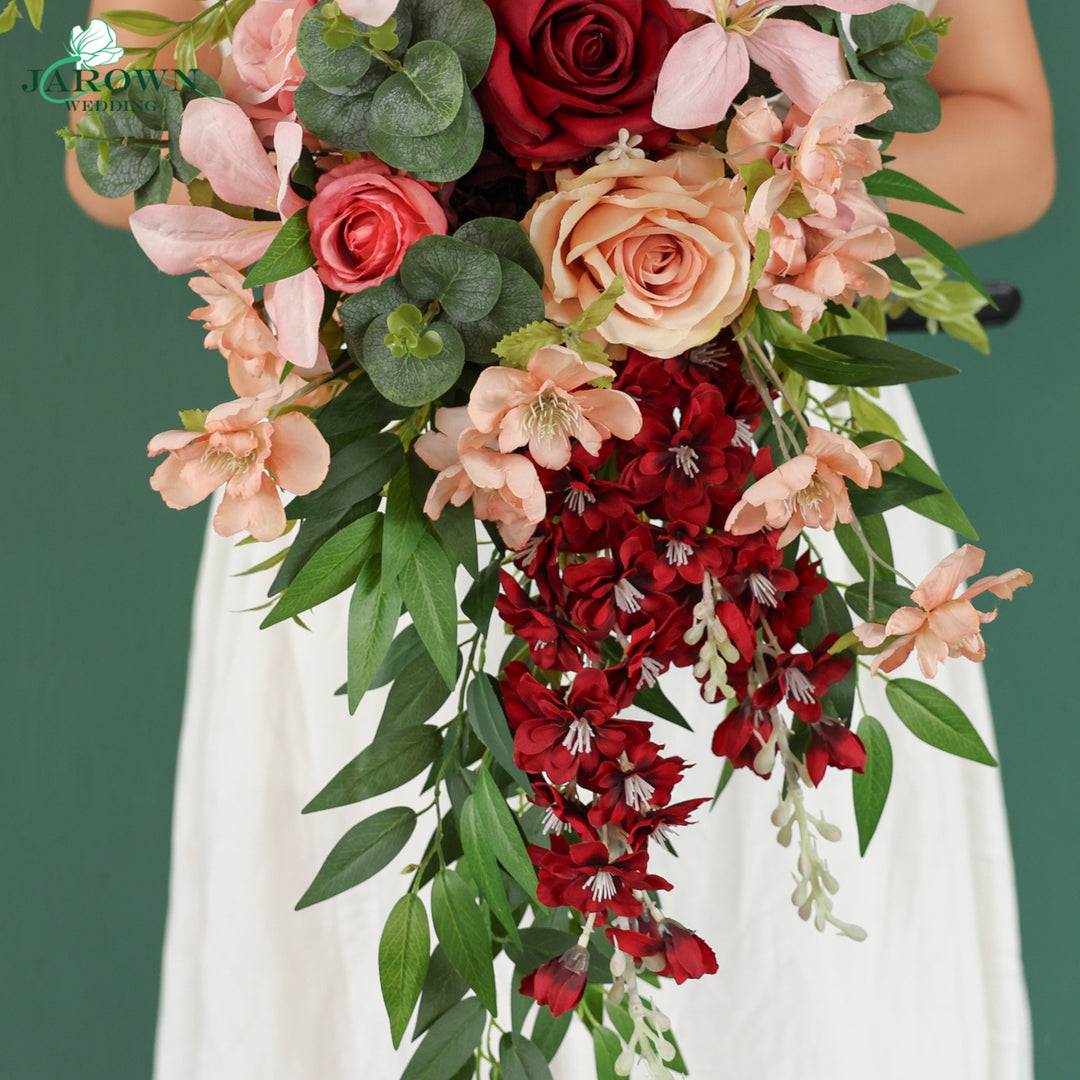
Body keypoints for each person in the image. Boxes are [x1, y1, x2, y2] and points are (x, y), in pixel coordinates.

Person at [67, 1, 1055, 1077]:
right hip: (406, 502)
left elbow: (1014, 139)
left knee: (795, 1003)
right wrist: (374, 184)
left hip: (765, 508)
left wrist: (710, 209)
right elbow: (97, 118)